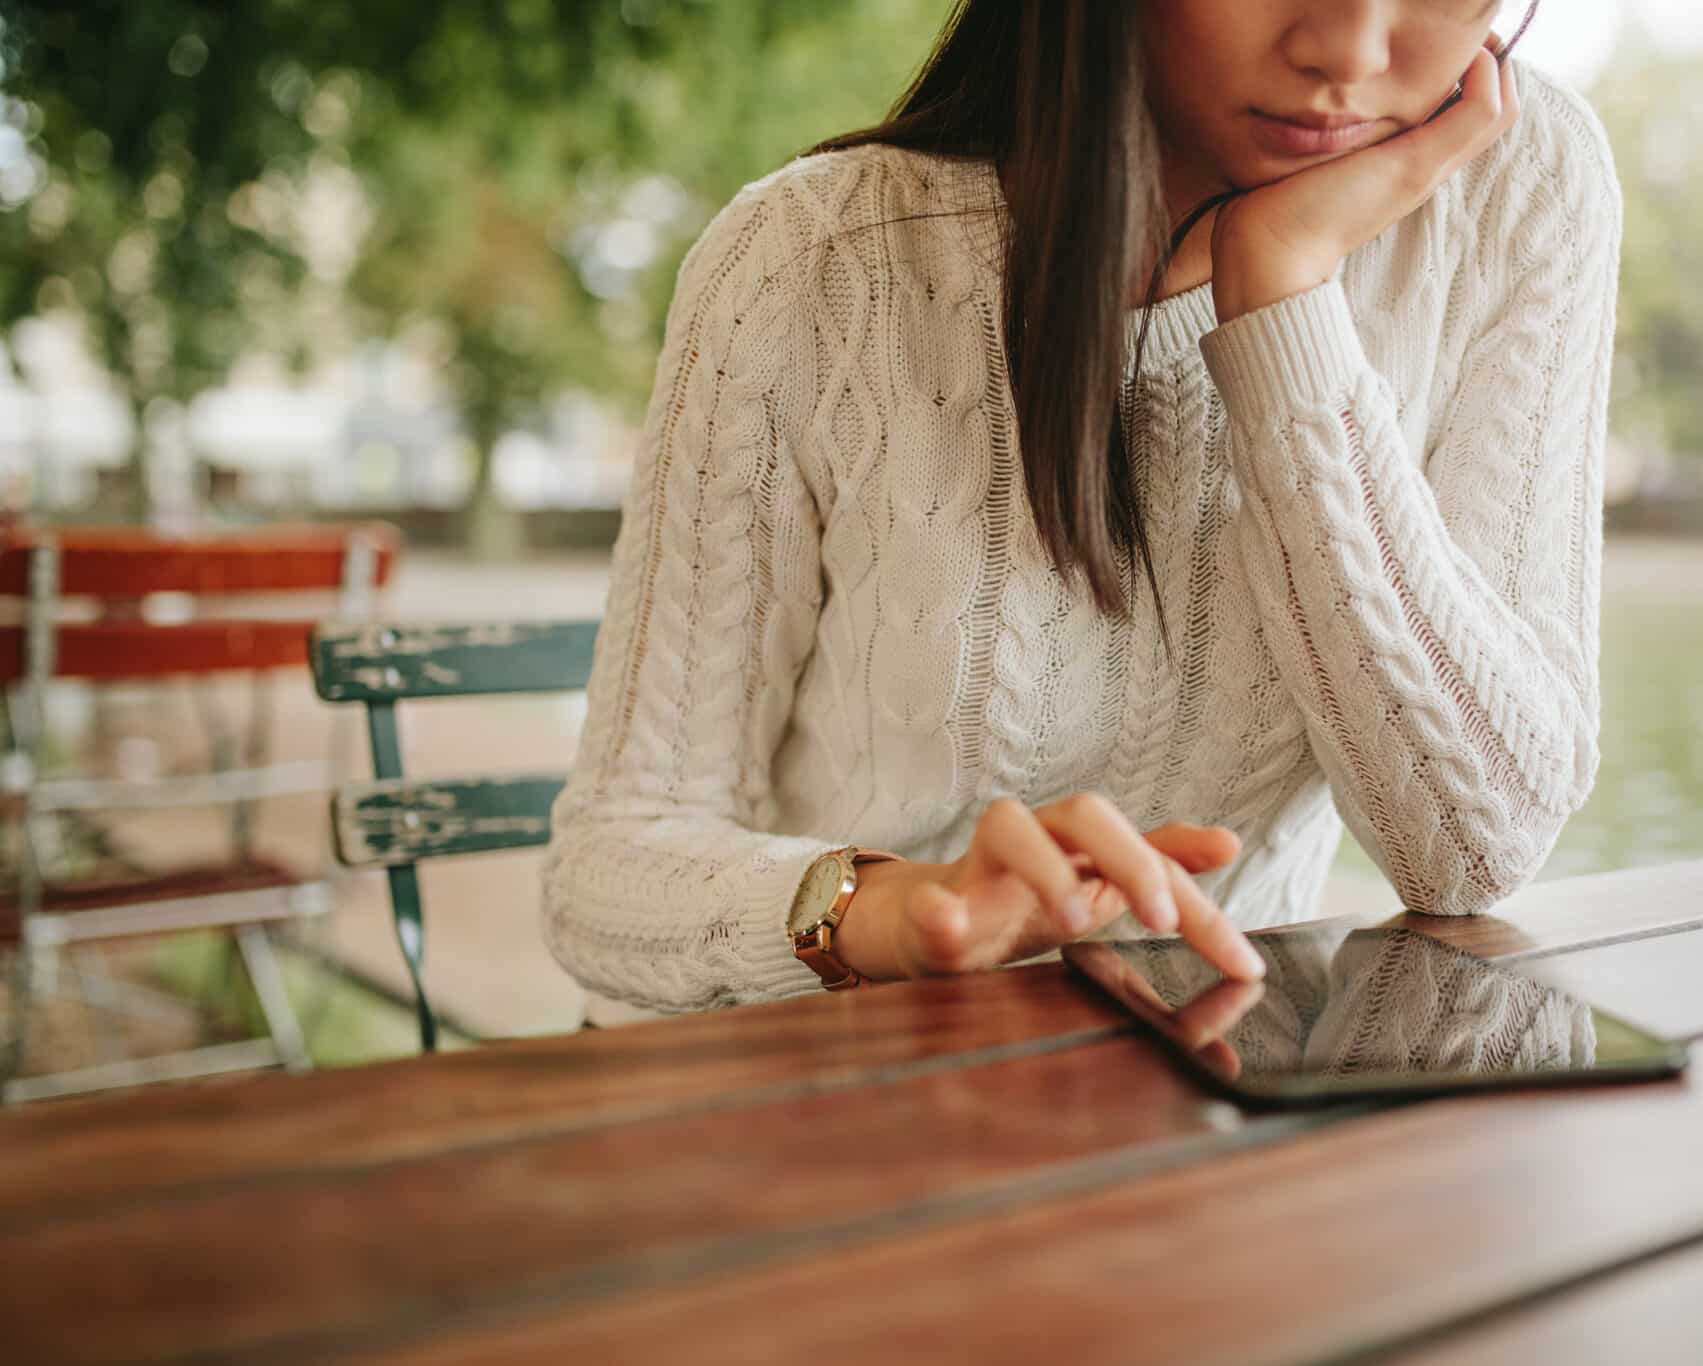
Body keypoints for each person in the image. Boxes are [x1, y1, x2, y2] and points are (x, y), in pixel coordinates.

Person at [543, 0, 1618, 1022]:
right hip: (798, 1084)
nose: (1345, 49)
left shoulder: (1515, 187)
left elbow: (1471, 850)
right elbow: (607, 867)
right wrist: (891, 912)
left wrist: (1283, 303)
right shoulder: (814, 258)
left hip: (1197, 1094)